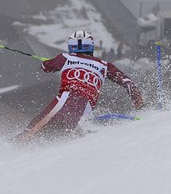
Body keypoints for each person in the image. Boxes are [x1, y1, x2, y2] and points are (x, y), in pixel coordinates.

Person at [14, 31, 145, 143]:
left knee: (38, 124)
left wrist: (48, 63)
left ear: (71, 47)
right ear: (91, 47)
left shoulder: (65, 57)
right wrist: (138, 101)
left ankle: (19, 143)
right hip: (87, 107)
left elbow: (45, 67)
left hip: (66, 97)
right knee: (62, 133)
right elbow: (127, 82)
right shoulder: (104, 65)